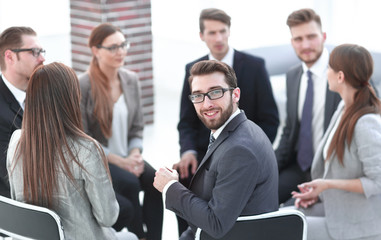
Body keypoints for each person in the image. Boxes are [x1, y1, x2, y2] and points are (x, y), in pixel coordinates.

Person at [174, 8, 279, 234]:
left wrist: (249, 153)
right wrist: (188, 151)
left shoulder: (254, 66)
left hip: (235, 151)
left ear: (235, 94)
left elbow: (270, 120)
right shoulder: (193, 71)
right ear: (202, 35)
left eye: (223, 31)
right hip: (205, 151)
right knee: (182, 184)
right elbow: (186, 122)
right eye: (212, 33)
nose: (219, 38)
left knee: (181, 194)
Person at [6, 62, 138, 240]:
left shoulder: (16, 141)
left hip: (31, 237)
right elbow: (108, 217)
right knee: (131, 237)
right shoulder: (87, 149)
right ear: (71, 98)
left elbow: (17, 200)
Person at [154, 60, 279, 240]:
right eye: (198, 96)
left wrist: (170, 187)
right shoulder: (236, 129)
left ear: (235, 95)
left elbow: (216, 223)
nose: (206, 104)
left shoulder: (239, 149)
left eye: (215, 92)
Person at [79, 23, 163, 240]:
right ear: (96, 51)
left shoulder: (130, 80)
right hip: (100, 160)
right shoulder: (83, 85)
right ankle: (138, 236)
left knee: (157, 181)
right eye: (113, 47)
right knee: (129, 181)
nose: (121, 51)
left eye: (123, 45)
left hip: (128, 157)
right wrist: (121, 162)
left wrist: (135, 153)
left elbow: (137, 127)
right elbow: (83, 138)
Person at [291, 44, 381, 240]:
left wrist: (327, 185)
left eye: (329, 68)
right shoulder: (343, 107)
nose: (326, 72)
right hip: (337, 208)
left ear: (340, 77)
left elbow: (377, 182)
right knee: (285, 216)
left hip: (358, 224)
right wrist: (320, 193)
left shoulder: (366, 123)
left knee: (287, 229)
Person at [275, 8, 341, 205]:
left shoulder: (345, 72)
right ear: (292, 42)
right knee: (256, 196)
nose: (305, 45)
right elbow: (289, 130)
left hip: (334, 171)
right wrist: (267, 168)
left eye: (311, 37)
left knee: (291, 213)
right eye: (298, 39)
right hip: (299, 167)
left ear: (323, 36)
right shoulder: (293, 75)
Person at [0, 26, 45, 198]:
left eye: (42, 51)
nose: (42, 58)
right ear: (10, 56)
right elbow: (11, 177)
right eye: (34, 52)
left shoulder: (43, 90)